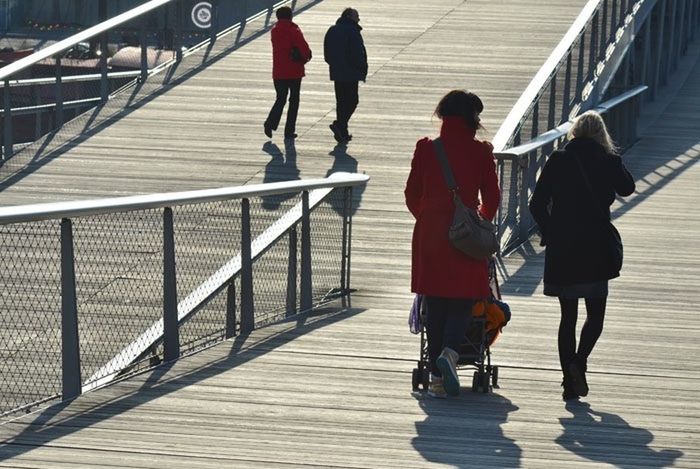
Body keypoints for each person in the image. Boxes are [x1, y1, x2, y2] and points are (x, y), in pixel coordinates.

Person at [529, 110, 635, 401]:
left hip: (564, 248)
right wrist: (614, 160)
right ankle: (579, 362)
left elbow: (536, 203)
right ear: (601, 134)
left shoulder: (559, 159)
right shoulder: (608, 160)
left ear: (574, 132)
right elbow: (628, 187)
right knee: (595, 317)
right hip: (596, 247)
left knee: (568, 317)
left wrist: (550, 231)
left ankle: (568, 384)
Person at [404, 90, 500, 398]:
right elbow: (493, 199)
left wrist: (430, 217)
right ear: (473, 118)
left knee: (435, 302)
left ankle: (436, 380)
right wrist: (475, 221)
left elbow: (411, 193)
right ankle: (449, 354)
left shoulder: (427, 148)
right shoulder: (481, 152)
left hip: (430, 233)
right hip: (464, 235)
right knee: (463, 299)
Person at [264, 7, 312, 140]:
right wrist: (307, 56)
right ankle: (289, 131)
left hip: (279, 71)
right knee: (294, 100)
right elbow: (303, 48)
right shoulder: (293, 30)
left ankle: (270, 123)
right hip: (294, 71)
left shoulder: (274, 30)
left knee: (280, 98)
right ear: (290, 16)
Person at [323, 8, 367, 143]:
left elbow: (327, 52)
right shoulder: (352, 31)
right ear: (349, 16)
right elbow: (357, 53)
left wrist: (333, 64)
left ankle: (342, 132)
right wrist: (362, 68)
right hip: (350, 73)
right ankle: (340, 124)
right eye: (356, 16)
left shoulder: (332, 30)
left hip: (337, 72)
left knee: (341, 102)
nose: (358, 19)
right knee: (353, 101)